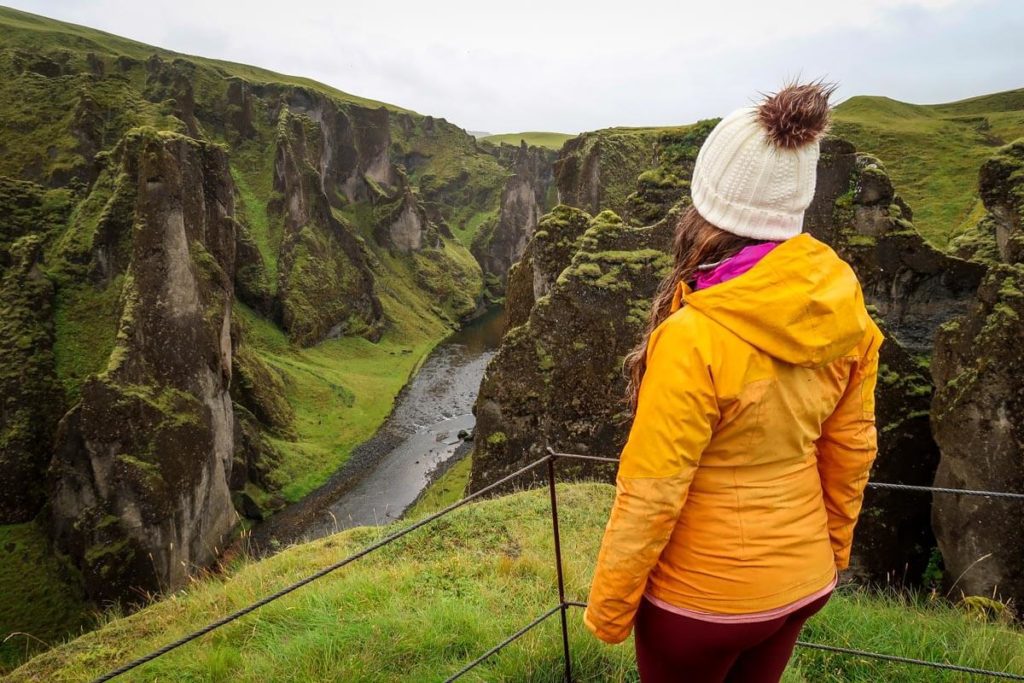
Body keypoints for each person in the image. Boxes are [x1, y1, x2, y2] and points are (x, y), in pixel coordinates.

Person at [583, 81, 883, 683]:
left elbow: (654, 488)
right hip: (802, 582)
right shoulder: (843, 305)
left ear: (706, 202)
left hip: (704, 599)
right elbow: (852, 449)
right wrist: (831, 551)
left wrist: (610, 610)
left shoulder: (694, 335)